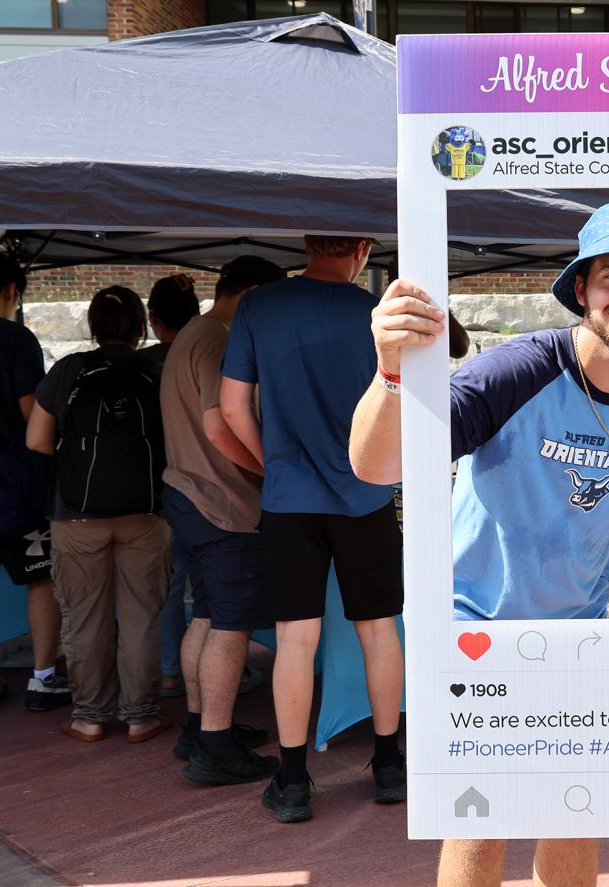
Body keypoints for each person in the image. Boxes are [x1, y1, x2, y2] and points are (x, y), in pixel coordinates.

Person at [349, 201, 609, 885]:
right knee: (485, 817)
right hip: (474, 630)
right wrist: (390, 371)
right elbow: (377, 463)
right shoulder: (516, 371)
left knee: (575, 812)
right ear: (580, 289)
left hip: (576, 638)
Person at [219, 235, 405, 822]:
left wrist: (271, 463)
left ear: (305, 244)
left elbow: (231, 409)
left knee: (296, 640)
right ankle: (389, 764)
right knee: (378, 631)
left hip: (289, 497)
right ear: (361, 249)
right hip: (366, 493)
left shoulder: (260, 306)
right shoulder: (376, 313)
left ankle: (294, 780)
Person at [27, 286, 172, 743]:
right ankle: (141, 716)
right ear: (140, 327)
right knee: (141, 615)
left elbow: (36, 441)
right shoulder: (156, 371)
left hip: (76, 515)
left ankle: (89, 717)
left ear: (93, 326)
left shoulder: (68, 370)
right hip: (147, 513)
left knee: (84, 617)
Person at [160, 256, 285, 784]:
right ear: (253, 293)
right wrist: (271, 471)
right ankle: (214, 748)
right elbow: (220, 424)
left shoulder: (192, 332)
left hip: (186, 495)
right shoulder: (217, 340)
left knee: (207, 617)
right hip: (222, 505)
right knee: (230, 626)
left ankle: (199, 730)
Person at [0, 251, 67, 714]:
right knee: (43, 579)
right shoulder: (15, 339)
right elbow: (28, 413)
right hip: (18, 488)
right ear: (11, 291)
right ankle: (44, 677)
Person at [138, 272, 201, 698]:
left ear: (153, 317)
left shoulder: (144, 365)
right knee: (210, 596)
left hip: (154, 491)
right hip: (209, 489)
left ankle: (168, 673)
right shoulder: (212, 352)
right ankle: (202, 675)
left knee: (167, 588)